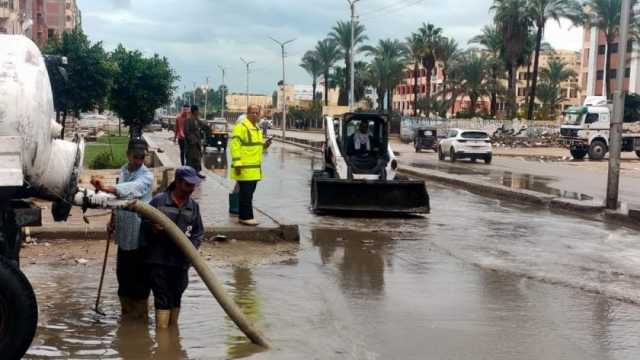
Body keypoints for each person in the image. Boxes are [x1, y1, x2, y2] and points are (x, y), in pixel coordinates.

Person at [91, 139, 154, 319]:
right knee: (124, 279)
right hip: (124, 234)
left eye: (142, 158)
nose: (138, 161)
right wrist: (113, 220)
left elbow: (132, 189)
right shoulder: (124, 170)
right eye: (135, 157)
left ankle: (141, 318)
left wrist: (106, 188)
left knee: (140, 282)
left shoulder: (147, 177)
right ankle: (126, 317)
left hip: (140, 236)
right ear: (128, 155)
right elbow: (118, 202)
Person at [143, 166, 204, 329]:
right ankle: (163, 340)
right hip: (159, 260)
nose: (191, 189)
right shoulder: (159, 201)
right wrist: (153, 227)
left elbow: (198, 232)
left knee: (176, 297)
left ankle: (173, 334)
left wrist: (192, 248)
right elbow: (144, 223)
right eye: (188, 185)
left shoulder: (193, 206)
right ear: (177, 182)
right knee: (162, 298)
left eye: (193, 185)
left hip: (181, 262)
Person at [230, 105, 272, 226]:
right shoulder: (241, 127)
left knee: (249, 194)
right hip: (244, 168)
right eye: (252, 113)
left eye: (257, 113)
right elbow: (235, 146)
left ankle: (244, 216)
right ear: (247, 113)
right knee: (246, 194)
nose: (255, 115)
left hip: (254, 169)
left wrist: (265, 146)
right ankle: (246, 217)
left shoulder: (257, 128)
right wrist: (237, 164)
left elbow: (255, 147)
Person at [184, 105, 207, 178]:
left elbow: (203, 125)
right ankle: (188, 174)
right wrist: (193, 140)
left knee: (197, 159)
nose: (198, 112)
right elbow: (186, 132)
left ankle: (196, 173)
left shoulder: (196, 119)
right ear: (194, 111)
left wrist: (207, 127)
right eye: (197, 111)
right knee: (190, 159)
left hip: (197, 143)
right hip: (192, 144)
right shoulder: (188, 120)